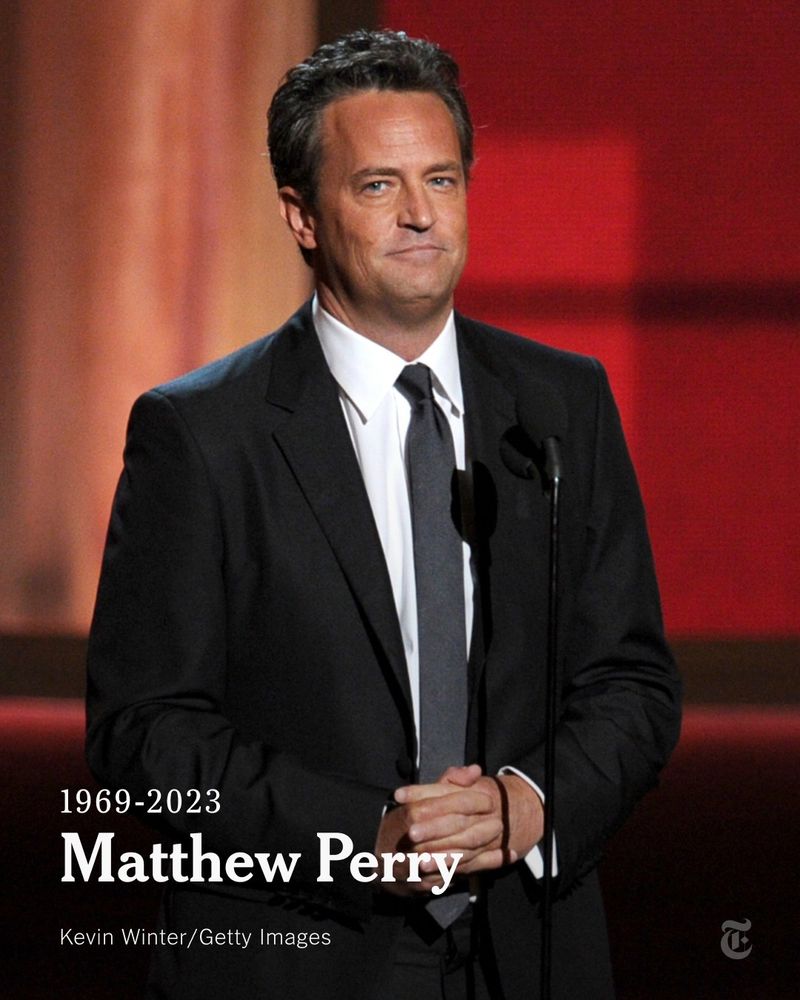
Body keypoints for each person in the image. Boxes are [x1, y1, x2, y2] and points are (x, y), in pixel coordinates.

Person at [86, 29, 681, 1000]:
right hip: (298, 951)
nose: (418, 216)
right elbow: (144, 732)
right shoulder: (200, 433)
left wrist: (527, 804)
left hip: (524, 954)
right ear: (301, 216)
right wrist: (362, 835)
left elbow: (632, 681)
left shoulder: (560, 404)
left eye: (441, 181)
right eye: (376, 186)